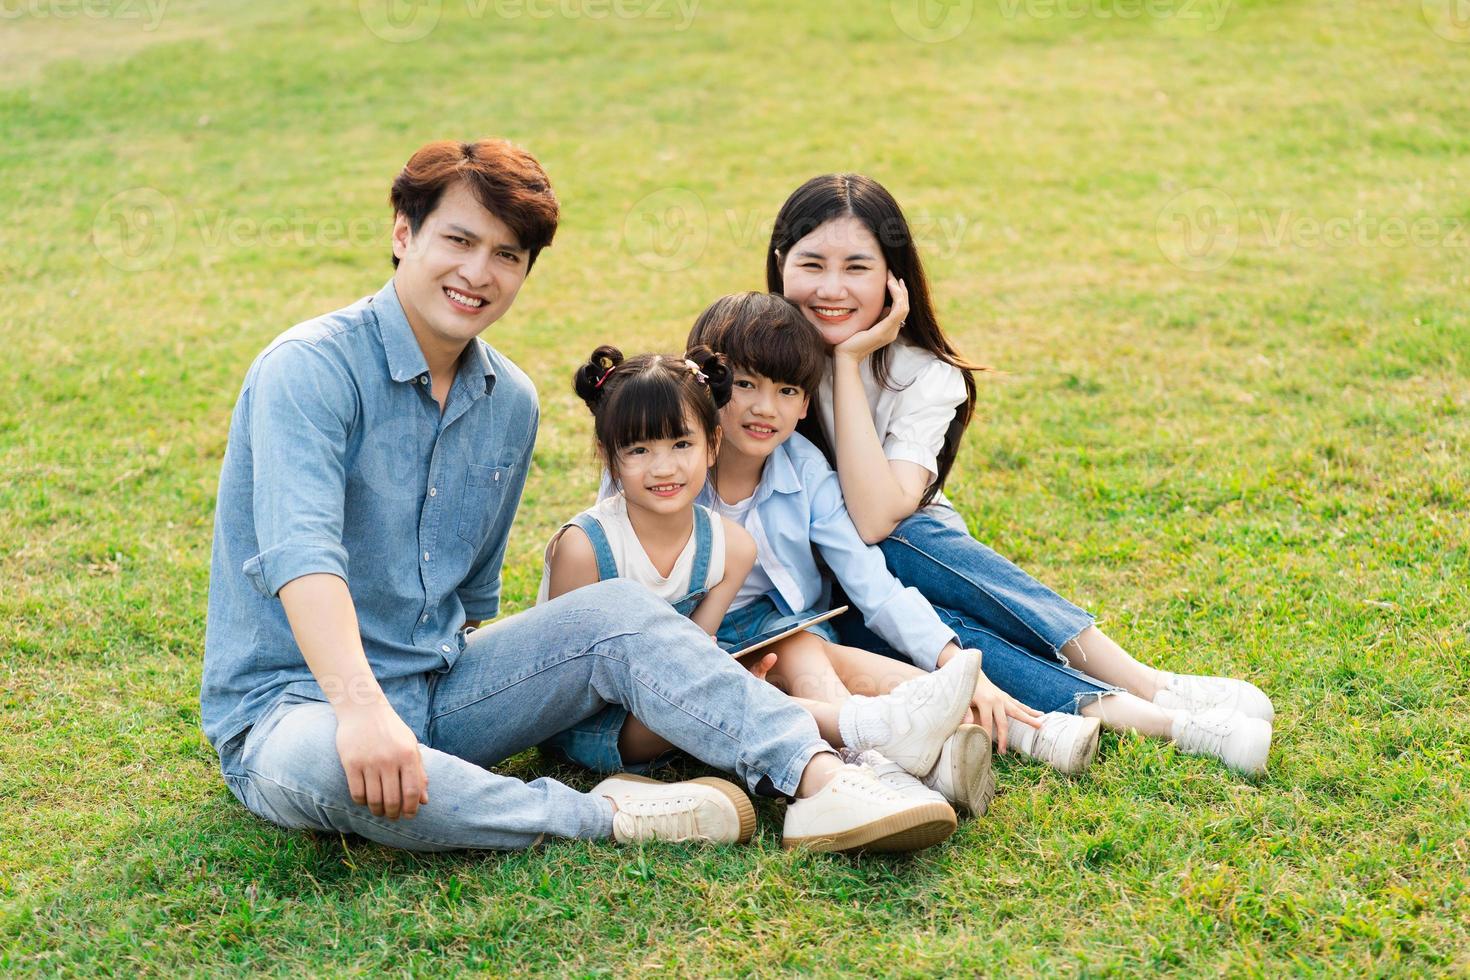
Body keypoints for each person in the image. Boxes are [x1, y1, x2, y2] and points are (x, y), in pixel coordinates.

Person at [197, 139, 971, 858]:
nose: (478, 273)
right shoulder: (308, 370)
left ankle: (826, 777)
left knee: (621, 612)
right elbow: (303, 559)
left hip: (438, 693)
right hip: (298, 707)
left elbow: (469, 604)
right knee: (333, 767)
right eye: (458, 241)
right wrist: (363, 711)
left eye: (507, 254)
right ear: (405, 232)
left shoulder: (510, 402)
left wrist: (520, 686)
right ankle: (609, 815)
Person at [761, 174, 1275, 775]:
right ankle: (1135, 711)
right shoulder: (753, 362)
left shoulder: (925, 373)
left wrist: (846, 363)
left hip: (918, 554)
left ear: (893, 279)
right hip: (818, 590)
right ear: (779, 266)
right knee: (908, 624)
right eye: (812, 264)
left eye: (856, 268)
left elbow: (877, 519)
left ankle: (1142, 688)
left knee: (905, 549)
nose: (831, 289)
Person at [537, 341, 984, 841]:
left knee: (781, 658)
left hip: (673, 689)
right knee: (740, 695)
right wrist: (721, 688)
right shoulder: (585, 547)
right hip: (601, 723)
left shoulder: (729, 546)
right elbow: (564, 684)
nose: (663, 468)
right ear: (611, 458)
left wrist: (725, 678)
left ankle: (899, 760)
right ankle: (872, 731)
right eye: (639, 450)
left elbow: (693, 651)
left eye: (681, 445)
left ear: (712, 444)